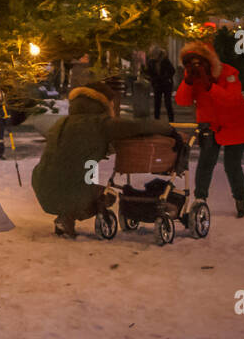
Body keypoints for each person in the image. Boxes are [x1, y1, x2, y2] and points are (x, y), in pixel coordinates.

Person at [31, 83, 174, 236]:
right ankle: (67, 217)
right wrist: (168, 128)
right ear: (103, 103)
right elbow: (139, 126)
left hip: (42, 187)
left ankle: (64, 217)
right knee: (108, 195)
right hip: (69, 189)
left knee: (80, 179)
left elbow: (77, 146)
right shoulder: (101, 124)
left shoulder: (61, 123)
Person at [177, 38, 244, 217]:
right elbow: (182, 100)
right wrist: (188, 82)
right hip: (210, 125)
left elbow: (232, 100)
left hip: (236, 124)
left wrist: (210, 85)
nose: (194, 66)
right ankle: (200, 199)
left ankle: (241, 202)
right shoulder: (193, 77)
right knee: (205, 163)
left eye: (197, 62)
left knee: (232, 165)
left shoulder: (228, 72)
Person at [145, 47, 176, 120]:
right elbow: (149, 73)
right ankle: (156, 118)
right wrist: (152, 79)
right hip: (157, 84)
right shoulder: (151, 62)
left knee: (167, 102)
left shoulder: (165, 61)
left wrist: (166, 77)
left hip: (166, 84)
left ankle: (171, 119)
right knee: (157, 102)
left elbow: (172, 71)